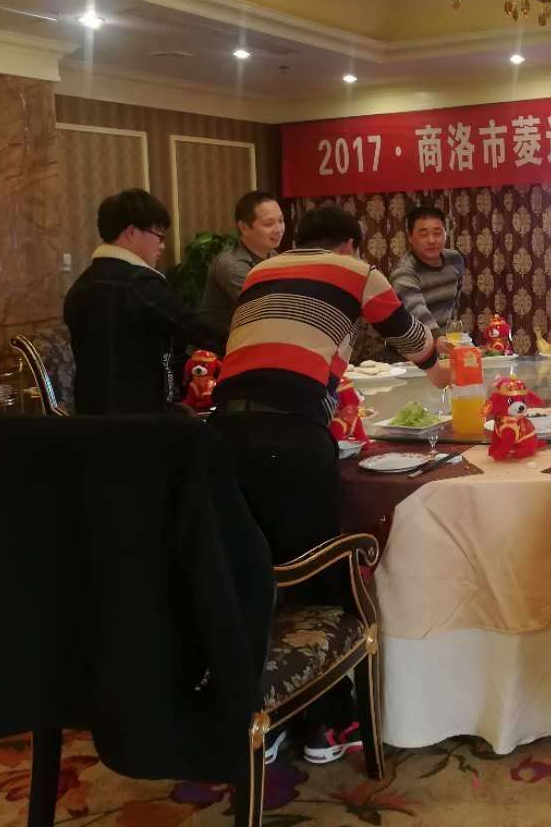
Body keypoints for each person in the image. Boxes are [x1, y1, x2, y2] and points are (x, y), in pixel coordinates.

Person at [211, 203, 447, 765]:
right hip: (290, 434)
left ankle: (263, 723)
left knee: (253, 571)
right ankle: (324, 725)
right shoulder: (358, 271)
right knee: (317, 570)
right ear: (349, 245)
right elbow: (413, 340)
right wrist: (443, 373)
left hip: (220, 433)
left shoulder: (262, 271)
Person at [64, 189, 225, 415]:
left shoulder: (80, 286)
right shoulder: (139, 283)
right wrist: (244, 345)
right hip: (141, 420)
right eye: (159, 236)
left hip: (90, 417)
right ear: (131, 232)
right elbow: (192, 327)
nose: (162, 246)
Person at [198, 190, 286, 333]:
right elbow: (266, 309)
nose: (279, 229)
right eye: (269, 223)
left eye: (281, 221)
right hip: (221, 344)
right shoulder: (231, 263)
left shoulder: (274, 257)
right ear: (244, 228)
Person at [389, 205, 466, 337]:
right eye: (424, 235)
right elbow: (417, 311)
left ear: (446, 234)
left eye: (437, 233)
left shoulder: (454, 259)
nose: (431, 240)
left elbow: (454, 302)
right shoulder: (403, 271)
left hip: (445, 339)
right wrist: (437, 338)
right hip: (414, 343)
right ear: (410, 237)